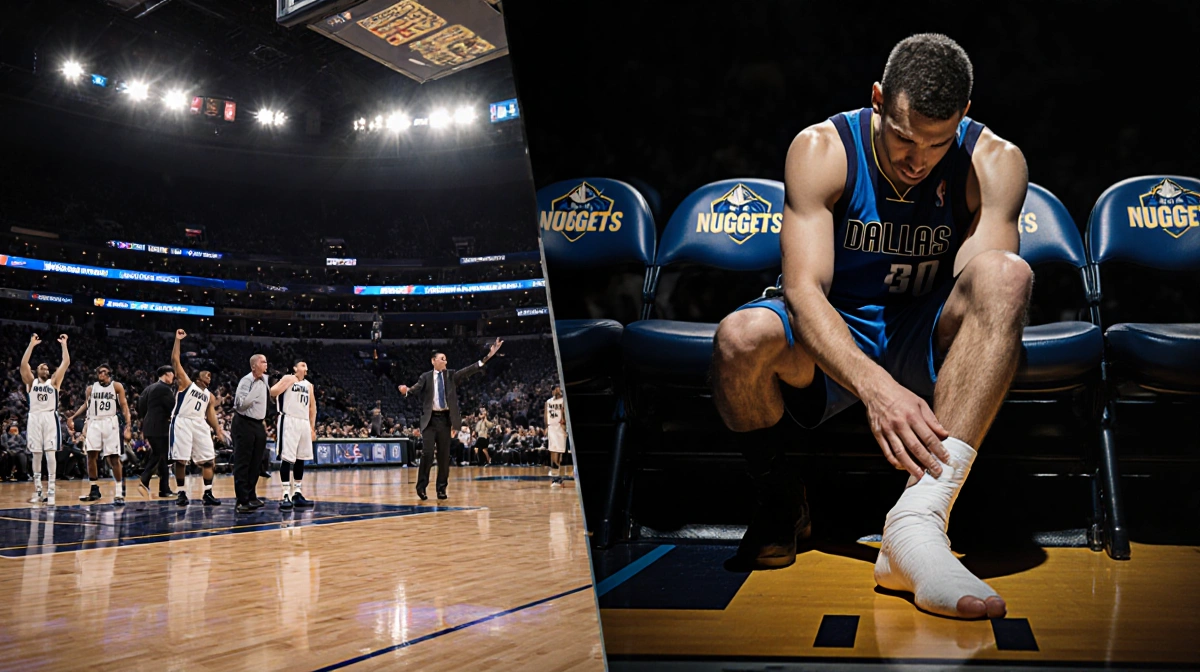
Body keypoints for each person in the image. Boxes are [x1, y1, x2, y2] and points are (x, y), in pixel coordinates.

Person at [710, 33, 1029, 620]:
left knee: (1008, 277)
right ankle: (782, 500)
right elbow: (804, 293)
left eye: (937, 142)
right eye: (905, 137)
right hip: (838, 322)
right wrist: (875, 388)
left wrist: (912, 372)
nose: (917, 158)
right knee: (739, 336)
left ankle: (918, 522)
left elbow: (980, 295)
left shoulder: (994, 162)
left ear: (963, 118)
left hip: (922, 330)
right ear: (879, 99)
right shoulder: (822, 149)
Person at [398, 338, 504, 500]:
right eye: (442, 358)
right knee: (427, 454)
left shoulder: (451, 375)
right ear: (433, 361)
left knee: (443, 456)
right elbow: (415, 389)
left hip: (445, 420)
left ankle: (441, 488)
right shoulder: (425, 377)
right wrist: (405, 390)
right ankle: (421, 487)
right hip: (429, 420)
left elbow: (470, 369)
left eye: (446, 358)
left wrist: (488, 356)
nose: (445, 360)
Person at [168, 330, 228, 506]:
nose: (209, 375)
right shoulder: (187, 383)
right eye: (206, 373)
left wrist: (218, 431)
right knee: (181, 460)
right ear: (197, 376)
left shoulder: (209, 396)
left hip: (200, 424)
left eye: (210, 374)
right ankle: (181, 493)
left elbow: (210, 416)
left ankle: (207, 493)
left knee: (209, 460)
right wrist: (177, 340)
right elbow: (175, 361)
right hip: (182, 421)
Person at [68, 362, 133, 505]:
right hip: (94, 422)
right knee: (91, 455)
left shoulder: (116, 386)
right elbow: (86, 405)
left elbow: (124, 405)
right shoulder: (91, 389)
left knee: (113, 457)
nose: (101, 374)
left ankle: (118, 492)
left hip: (110, 422)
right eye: (99, 372)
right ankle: (94, 489)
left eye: (103, 372)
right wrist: (73, 416)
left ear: (109, 373)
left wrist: (128, 425)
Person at [19, 333, 69, 504]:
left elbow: (66, 363)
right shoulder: (31, 382)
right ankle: (39, 490)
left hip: (49, 417)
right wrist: (31, 345)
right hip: (34, 417)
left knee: (50, 454)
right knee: (37, 454)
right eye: (43, 368)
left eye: (47, 368)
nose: (46, 370)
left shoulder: (54, 383)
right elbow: (23, 364)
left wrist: (64, 344)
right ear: (37, 371)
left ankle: (52, 491)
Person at [270, 360, 317, 510]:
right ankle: (285, 494)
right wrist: (286, 381)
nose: (306, 367)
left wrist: (312, 427)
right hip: (289, 419)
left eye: (306, 365)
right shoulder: (288, 378)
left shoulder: (309, 385)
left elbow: (312, 408)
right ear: (295, 368)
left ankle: (297, 492)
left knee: (300, 458)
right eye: (303, 365)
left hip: (303, 422)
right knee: (287, 458)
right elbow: (273, 392)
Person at [232, 353, 270, 513]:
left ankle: (251, 495)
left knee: (256, 462)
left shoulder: (265, 380)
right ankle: (241, 500)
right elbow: (240, 405)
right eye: (263, 362)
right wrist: (255, 391)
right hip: (244, 422)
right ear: (254, 366)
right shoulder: (246, 381)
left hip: (258, 424)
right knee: (243, 462)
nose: (266, 364)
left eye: (266, 362)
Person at [137, 364, 178, 499]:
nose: (173, 377)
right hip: (160, 427)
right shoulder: (165, 389)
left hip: (149, 426)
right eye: (172, 374)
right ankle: (144, 480)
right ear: (167, 375)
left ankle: (164, 489)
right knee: (159, 455)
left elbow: (140, 407)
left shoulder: (148, 388)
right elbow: (172, 407)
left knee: (162, 457)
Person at [545, 387, 568, 487]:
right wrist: (546, 426)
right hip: (552, 427)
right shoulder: (548, 402)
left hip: (560, 427)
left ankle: (558, 477)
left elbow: (564, 413)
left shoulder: (563, 401)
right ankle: (556, 477)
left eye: (557, 389)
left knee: (560, 453)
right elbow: (546, 415)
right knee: (554, 451)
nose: (555, 391)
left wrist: (565, 424)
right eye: (554, 389)